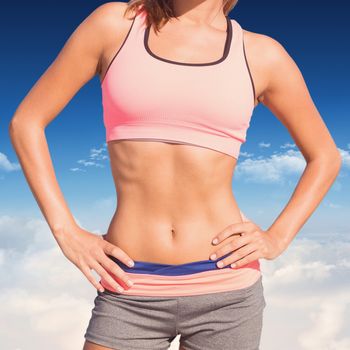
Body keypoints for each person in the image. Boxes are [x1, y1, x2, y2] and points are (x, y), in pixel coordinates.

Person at [9, 0, 342, 349]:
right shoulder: (116, 26)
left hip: (227, 288)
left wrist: (277, 238)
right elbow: (26, 122)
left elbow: (324, 156)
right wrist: (65, 230)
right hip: (129, 285)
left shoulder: (262, 55)